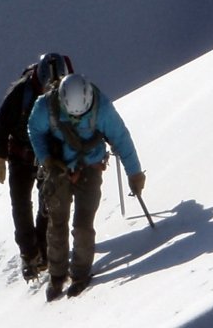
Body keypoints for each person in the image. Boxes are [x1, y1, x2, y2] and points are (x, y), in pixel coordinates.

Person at [28, 73, 145, 300]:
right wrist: (47, 159)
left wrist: (135, 173)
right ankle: (57, 275)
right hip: (60, 169)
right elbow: (35, 130)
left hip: (89, 168)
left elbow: (120, 137)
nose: (78, 117)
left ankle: (79, 274)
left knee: (82, 223)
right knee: (58, 222)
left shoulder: (101, 108)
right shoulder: (46, 107)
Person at [0, 53, 69, 280]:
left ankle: (41, 250)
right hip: (23, 156)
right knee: (22, 204)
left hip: (45, 156)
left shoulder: (61, 90)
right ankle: (29, 253)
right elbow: (2, 124)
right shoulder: (21, 92)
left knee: (45, 203)